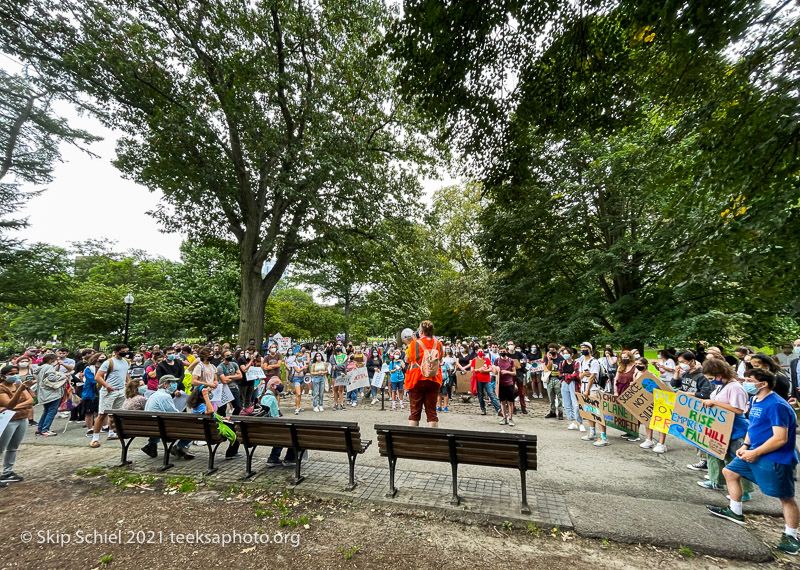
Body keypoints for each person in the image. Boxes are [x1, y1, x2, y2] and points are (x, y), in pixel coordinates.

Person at [707, 368, 800, 555]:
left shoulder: (776, 406)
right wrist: (747, 445)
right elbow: (754, 425)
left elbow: (780, 438)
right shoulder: (755, 399)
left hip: (775, 458)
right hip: (753, 452)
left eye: (749, 379)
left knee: (785, 497)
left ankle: (791, 535)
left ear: (763, 384)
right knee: (729, 472)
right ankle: (735, 511)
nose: (745, 382)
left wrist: (755, 452)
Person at [696, 359, 754, 498]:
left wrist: (714, 402)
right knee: (715, 453)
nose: (711, 381)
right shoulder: (722, 386)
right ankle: (716, 480)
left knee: (735, 459)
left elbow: (739, 409)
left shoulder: (735, 387)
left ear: (720, 374)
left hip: (735, 428)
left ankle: (744, 491)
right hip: (719, 427)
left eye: (711, 378)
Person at [139, 375, 194, 460]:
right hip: (162, 428)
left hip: (151, 426)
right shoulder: (165, 396)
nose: (175, 384)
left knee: (159, 422)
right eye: (173, 382)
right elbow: (174, 413)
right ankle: (179, 447)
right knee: (192, 428)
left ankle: (151, 446)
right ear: (165, 384)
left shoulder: (155, 394)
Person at [89, 344, 131, 448]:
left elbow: (125, 373)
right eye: (123, 351)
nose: (125, 352)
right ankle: (95, 438)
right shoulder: (109, 362)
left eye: (126, 351)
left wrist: (128, 382)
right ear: (116, 351)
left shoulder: (126, 361)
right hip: (109, 391)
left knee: (115, 414)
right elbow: (98, 377)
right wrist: (107, 386)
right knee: (102, 414)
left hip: (121, 391)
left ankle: (112, 432)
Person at [405, 321, 444, 428]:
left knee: (415, 412)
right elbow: (440, 359)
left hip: (417, 379)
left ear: (421, 331)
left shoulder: (414, 344)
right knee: (432, 413)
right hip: (434, 379)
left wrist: (412, 342)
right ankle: (432, 440)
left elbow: (407, 360)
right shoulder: (439, 344)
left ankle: (413, 440)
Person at [0, 365, 35, 486]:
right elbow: (9, 404)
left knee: (13, 447)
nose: (14, 376)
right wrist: (20, 391)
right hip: (8, 421)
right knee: (1, 448)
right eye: (11, 374)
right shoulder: (2, 388)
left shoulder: (18, 385)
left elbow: (30, 401)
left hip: (22, 419)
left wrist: (13, 407)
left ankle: (7, 472)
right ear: (3, 376)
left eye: (16, 373)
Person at [578, 342, 608, 447]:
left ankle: (603, 437)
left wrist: (587, 390)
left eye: (585, 348)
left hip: (593, 389)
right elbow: (580, 376)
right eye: (581, 348)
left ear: (590, 349)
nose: (583, 350)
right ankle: (592, 432)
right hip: (584, 387)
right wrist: (584, 375)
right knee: (588, 411)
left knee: (597, 412)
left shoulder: (594, 362)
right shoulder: (582, 362)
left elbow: (592, 377)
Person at [262, 378, 296, 467]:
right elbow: (274, 419)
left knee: (281, 434)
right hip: (271, 432)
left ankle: (273, 458)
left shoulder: (261, 397)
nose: (281, 386)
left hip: (260, 431)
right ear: (272, 386)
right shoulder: (272, 399)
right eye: (279, 384)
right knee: (292, 434)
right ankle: (289, 458)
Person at [35, 354, 69, 437]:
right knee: (51, 411)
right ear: (50, 360)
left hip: (43, 393)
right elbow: (51, 378)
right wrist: (63, 375)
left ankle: (40, 428)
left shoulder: (42, 367)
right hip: (51, 393)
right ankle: (45, 429)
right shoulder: (49, 367)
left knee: (46, 411)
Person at [560, 348, 584, 432]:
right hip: (564, 383)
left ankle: (580, 422)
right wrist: (568, 376)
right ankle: (573, 421)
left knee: (576, 404)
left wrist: (566, 376)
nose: (565, 355)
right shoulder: (562, 363)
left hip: (573, 384)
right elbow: (560, 374)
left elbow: (577, 375)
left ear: (572, 354)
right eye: (564, 353)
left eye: (567, 353)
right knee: (567, 403)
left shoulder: (576, 363)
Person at [472, 349, 500, 416]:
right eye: (479, 351)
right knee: (480, 395)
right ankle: (483, 408)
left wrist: (484, 370)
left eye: (482, 351)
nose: (480, 352)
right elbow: (472, 370)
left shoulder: (487, 359)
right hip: (478, 379)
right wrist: (479, 370)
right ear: (477, 352)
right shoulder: (474, 360)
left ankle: (498, 409)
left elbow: (490, 369)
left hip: (487, 379)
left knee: (491, 394)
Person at [495, 348, 517, 426]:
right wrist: (496, 369)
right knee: (502, 401)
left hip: (509, 383)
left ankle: (510, 418)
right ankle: (504, 417)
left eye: (503, 351)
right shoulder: (497, 360)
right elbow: (494, 372)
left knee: (510, 401)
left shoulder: (511, 361)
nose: (502, 353)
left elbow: (514, 373)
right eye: (500, 352)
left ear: (506, 351)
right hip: (500, 383)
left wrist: (507, 372)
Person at [217, 350, 242, 416]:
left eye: (230, 355)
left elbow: (240, 376)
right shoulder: (220, 367)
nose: (230, 356)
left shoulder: (234, 364)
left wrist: (229, 377)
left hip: (233, 387)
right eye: (227, 355)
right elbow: (224, 380)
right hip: (223, 389)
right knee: (222, 409)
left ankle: (233, 419)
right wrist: (235, 377)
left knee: (238, 407)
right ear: (223, 357)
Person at [543, 344, 563, 419]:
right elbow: (548, 368)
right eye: (550, 350)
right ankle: (552, 411)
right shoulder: (547, 357)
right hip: (550, 378)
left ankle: (560, 412)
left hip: (558, 379)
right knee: (551, 396)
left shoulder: (561, 358)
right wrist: (549, 360)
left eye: (553, 350)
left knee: (559, 396)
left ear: (556, 350)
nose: (551, 351)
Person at [286, 348, 306, 415]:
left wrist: (305, 368)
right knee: (298, 393)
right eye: (298, 356)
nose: (300, 358)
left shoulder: (303, 362)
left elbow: (305, 371)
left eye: (301, 356)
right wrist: (303, 368)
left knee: (300, 394)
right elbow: (298, 370)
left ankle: (299, 405)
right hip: (296, 378)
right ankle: (296, 408)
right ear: (296, 357)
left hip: (302, 378)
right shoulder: (294, 363)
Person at [330, 345, 348, 410]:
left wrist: (337, 368)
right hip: (334, 374)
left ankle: (342, 404)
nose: (338, 348)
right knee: (335, 390)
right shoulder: (332, 356)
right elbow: (333, 365)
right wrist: (337, 368)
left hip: (342, 374)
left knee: (341, 390)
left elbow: (344, 366)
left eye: (339, 347)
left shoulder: (345, 356)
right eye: (336, 347)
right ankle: (335, 404)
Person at [438, 347, 455, 412]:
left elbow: (449, 371)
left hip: (445, 381)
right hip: (438, 380)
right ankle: (439, 406)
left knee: (445, 393)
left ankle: (445, 406)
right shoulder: (436, 364)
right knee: (439, 394)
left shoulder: (446, 364)